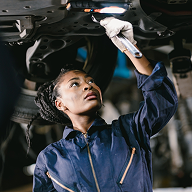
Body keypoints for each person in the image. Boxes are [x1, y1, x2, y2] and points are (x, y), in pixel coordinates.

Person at [32, 17, 178, 192]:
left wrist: (129, 46)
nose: (88, 85)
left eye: (91, 81)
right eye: (75, 84)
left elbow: (161, 99)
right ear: (60, 104)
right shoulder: (51, 158)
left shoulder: (129, 131)